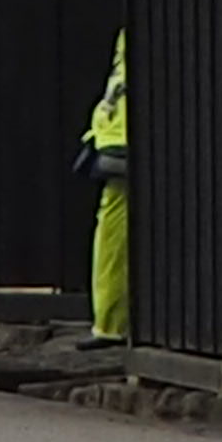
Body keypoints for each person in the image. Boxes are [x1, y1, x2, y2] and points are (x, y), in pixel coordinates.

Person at [82, 32, 133, 339]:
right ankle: (112, 323)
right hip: (125, 135)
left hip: (110, 131)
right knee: (118, 232)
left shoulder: (127, 35)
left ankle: (109, 321)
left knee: (112, 231)